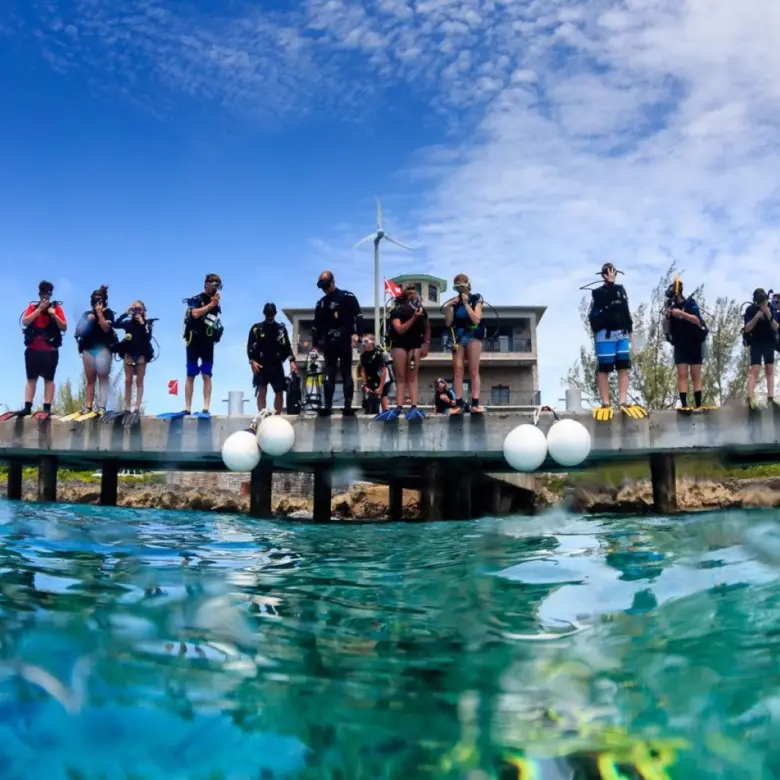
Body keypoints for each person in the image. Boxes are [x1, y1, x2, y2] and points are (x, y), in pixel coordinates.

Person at [1, 281, 68, 422]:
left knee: (49, 379)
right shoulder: (32, 307)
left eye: (48, 293)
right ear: (39, 294)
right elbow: (25, 321)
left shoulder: (56, 308)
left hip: (50, 350)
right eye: (43, 293)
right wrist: (38, 310)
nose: (45, 296)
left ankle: (47, 407)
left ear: (51, 295)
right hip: (33, 350)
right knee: (31, 379)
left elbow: (64, 327)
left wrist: (54, 315)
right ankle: (27, 406)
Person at [587, 263, 645, 421]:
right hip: (605, 334)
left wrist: (631, 331)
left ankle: (623, 401)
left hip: (622, 333)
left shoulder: (621, 290)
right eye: (608, 273)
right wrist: (610, 284)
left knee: (624, 366)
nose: (611, 275)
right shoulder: (598, 292)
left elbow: (625, 310)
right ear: (603, 275)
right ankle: (606, 402)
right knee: (604, 368)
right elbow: (604, 301)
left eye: (613, 272)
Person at [312, 270, 364, 417]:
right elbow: (316, 326)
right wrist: (316, 345)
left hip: (345, 338)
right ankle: (327, 405)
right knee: (329, 372)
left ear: (333, 282)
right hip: (329, 341)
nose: (325, 289)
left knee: (346, 370)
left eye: (326, 285)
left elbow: (358, 315)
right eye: (322, 287)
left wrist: (358, 335)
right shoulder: (321, 303)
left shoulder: (347, 297)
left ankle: (348, 405)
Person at [385, 282, 430, 421]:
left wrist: (426, 344)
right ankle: (399, 406)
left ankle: (414, 406)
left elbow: (427, 327)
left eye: (414, 292)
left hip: (415, 344)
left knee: (413, 376)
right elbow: (399, 329)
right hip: (399, 344)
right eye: (409, 292)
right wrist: (414, 318)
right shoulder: (397, 309)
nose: (412, 294)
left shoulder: (421, 309)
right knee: (401, 376)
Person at [663, 278, 708, 411]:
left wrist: (682, 313)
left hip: (694, 342)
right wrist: (667, 315)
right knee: (682, 374)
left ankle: (698, 404)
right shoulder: (670, 308)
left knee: (695, 375)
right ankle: (684, 405)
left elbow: (697, 320)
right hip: (680, 343)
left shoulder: (690, 303)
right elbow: (666, 329)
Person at [443, 273, 485, 415]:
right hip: (458, 337)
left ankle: (475, 402)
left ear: (467, 284)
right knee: (458, 370)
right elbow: (448, 323)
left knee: (473, 369)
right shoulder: (454, 302)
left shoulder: (476, 299)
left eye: (462, 284)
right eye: (457, 285)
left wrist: (466, 304)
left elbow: (476, 319)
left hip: (473, 335)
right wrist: (449, 307)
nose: (460, 287)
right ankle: (458, 403)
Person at [182, 273, 223, 418]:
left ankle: (206, 407)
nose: (216, 289)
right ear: (207, 284)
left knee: (207, 374)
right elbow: (194, 314)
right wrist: (211, 305)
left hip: (207, 342)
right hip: (194, 340)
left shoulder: (217, 304)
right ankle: (187, 408)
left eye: (219, 286)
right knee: (191, 374)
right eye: (214, 285)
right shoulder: (196, 299)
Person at [72, 285, 116, 421]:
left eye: (100, 301)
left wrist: (100, 315)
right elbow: (77, 332)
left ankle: (102, 406)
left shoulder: (109, 313)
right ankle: (88, 406)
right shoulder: (86, 314)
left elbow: (106, 329)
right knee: (90, 379)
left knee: (103, 377)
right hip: (88, 348)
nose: (98, 303)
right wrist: (89, 321)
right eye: (96, 301)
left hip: (103, 348)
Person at [247, 302, 297, 415]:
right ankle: (261, 415)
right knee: (262, 391)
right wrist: (252, 361)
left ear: (275, 314)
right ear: (264, 314)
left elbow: (287, 347)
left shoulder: (281, 329)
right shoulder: (256, 328)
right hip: (261, 364)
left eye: (271, 314)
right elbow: (250, 347)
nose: (269, 316)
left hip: (276, 364)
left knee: (279, 392)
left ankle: (277, 416)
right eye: (267, 314)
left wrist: (292, 361)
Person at [113, 300, 156, 424]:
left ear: (143, 311)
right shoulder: (128, 323)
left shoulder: (147, 323)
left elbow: (147, 338)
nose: (137, 311)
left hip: (142, 353)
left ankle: (137, 407)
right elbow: (115, 324)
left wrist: (143, 323)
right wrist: (126, 313)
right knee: (128, 380)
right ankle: (127, 407)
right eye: (135, 309)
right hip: (129, 353)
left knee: (139, 381)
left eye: (139, 309)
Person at [743, 287, 780, 410]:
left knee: (770, 369)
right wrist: (757, 317)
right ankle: (750, 397)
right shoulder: (750, 309)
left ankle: (771, 398)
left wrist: (768, 314)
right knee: (755, 369)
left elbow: (776, 327)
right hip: (756, 342)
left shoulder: (771, 307)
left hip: (769, 341)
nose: (763, 304)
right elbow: (747, 328)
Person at [359, 334, 394, 417]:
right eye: (363, 341)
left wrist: (381, 387)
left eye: (366, 341)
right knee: (370, 404)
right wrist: (365, 385)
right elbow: (363, 370)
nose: (364, 343)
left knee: (384, 403)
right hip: (371, 379)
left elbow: (384, 370)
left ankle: (387, 416)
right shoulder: (363, 356)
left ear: (372, 342)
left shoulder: (379, 353)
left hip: (382, 379)